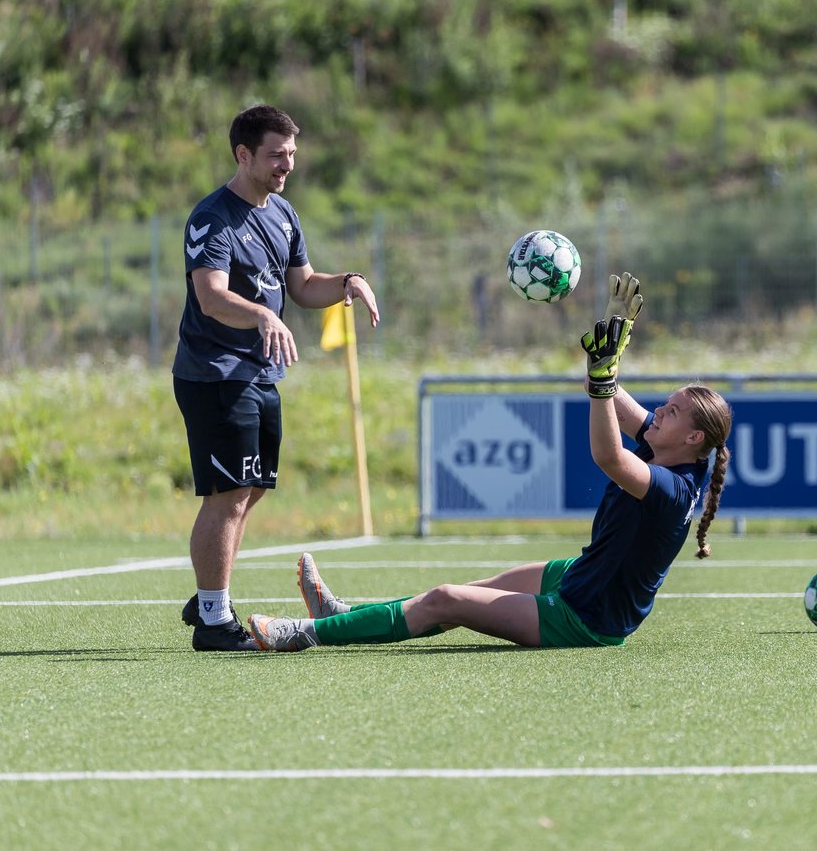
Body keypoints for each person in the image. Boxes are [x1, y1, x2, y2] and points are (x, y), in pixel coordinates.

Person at [246, 274, 733, 652]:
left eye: (670, 411)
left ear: (693, 436)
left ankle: (305, 632)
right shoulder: (672, 445)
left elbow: (608, 456)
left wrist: (605, 379)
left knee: (446, 600)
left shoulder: (672, 488)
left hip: (589, 617)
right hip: (582, 577)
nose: (658, 412)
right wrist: (609, 350)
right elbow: (599, 390)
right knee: (463, 593)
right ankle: (341, 614)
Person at [173, 104, 380, 651]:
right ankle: (214, 622)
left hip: (260, 375)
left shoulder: (283, 214)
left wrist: (348, 283)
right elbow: (210, 297)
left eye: (291, 154)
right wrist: (263, 314)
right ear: (243, 155)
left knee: (251, 489)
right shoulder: (212, 217)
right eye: (275, 155)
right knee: (227, 494)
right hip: (215, 374)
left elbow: (305, 285)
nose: (286, 165)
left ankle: (207, 596)